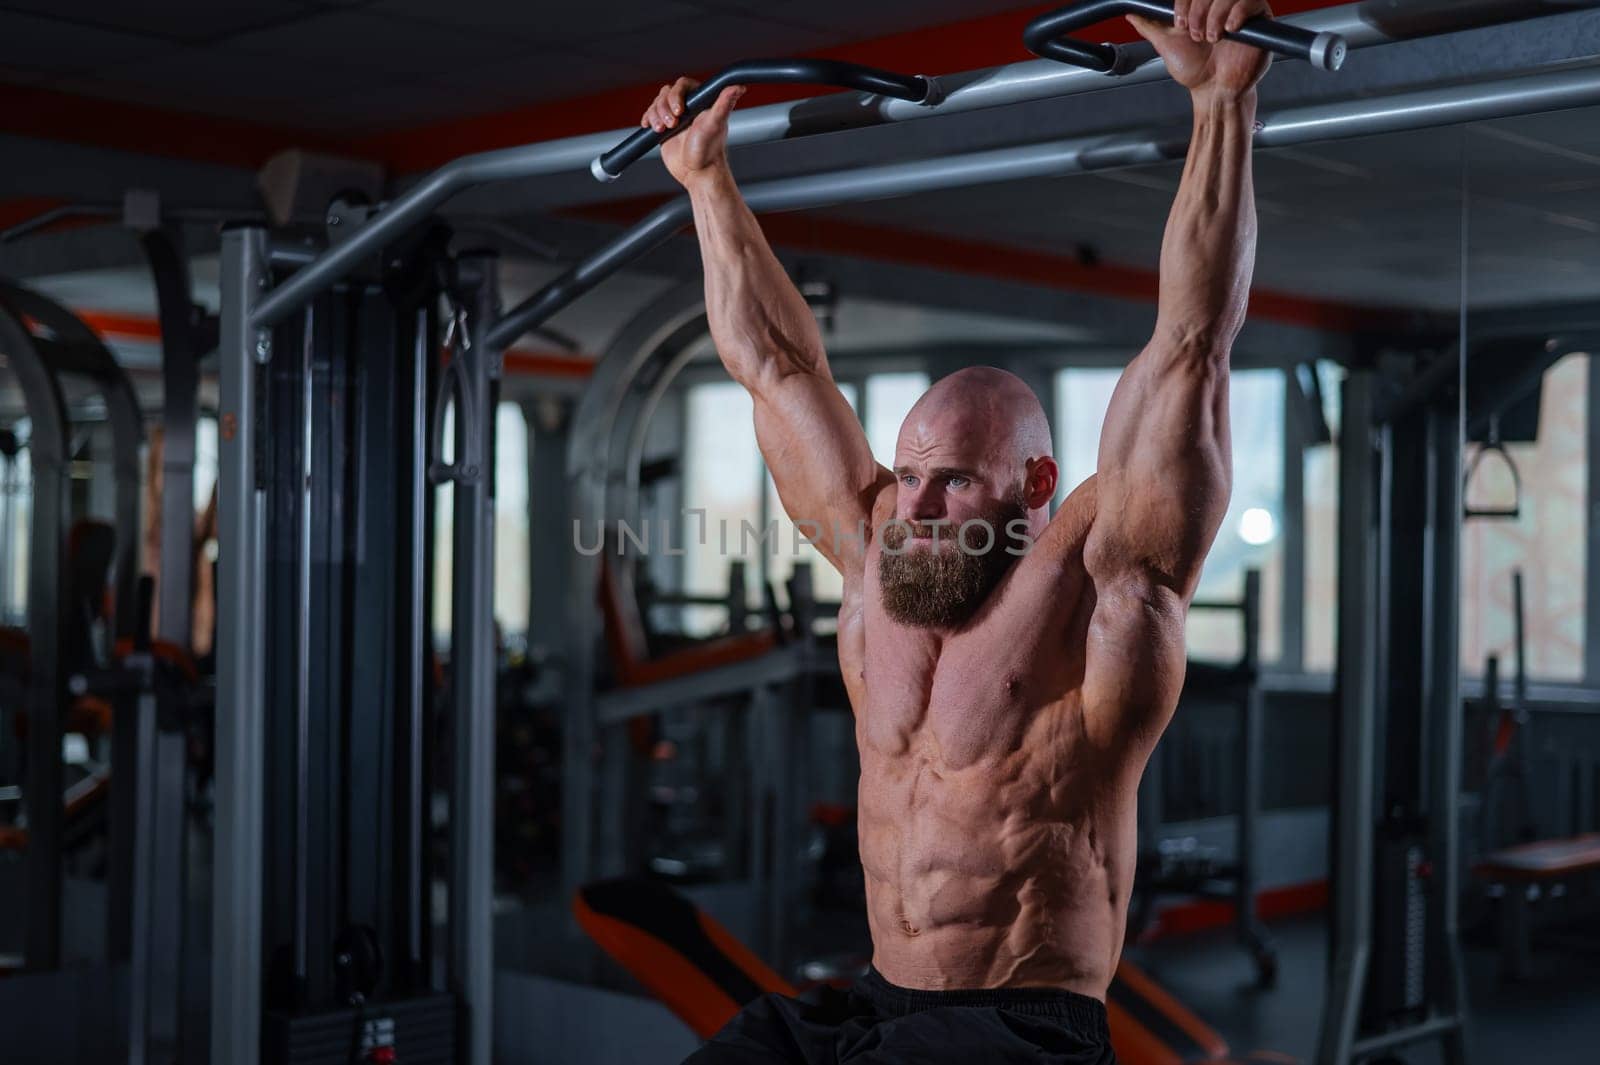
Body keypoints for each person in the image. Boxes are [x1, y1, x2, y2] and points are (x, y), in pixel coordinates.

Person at [644, 2, 1271, 1060]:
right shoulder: (874, 550)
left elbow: (1190, 346)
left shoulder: (1102, 584)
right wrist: (707, 184)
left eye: (953, 485)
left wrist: (1221, 107)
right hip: (878, 1000)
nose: (917, 506)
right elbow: (776, 369)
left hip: (1017, 1026)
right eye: (911, 474)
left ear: (1033, 480)